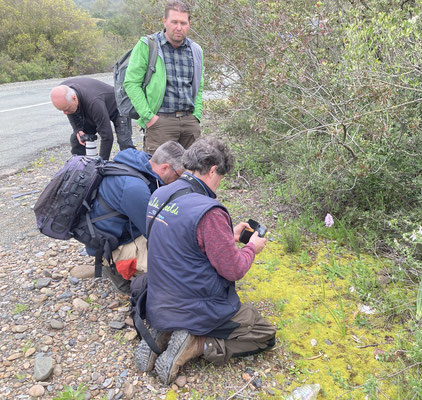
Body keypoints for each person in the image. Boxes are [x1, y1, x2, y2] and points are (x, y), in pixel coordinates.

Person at [137, 137, 276, 384]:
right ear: (213, 169)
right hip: (195, 306)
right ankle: (197, 343)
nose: (219, 184)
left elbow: (180, 241)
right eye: (220, 176)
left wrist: (227, 236)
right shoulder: (209, 210)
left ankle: (164, 332)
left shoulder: (159, 193)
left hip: (159, 297)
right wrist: (252, 247)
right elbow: (233, 269)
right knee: (264, 334)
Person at [87, 141, 185, 294]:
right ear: (165, 167)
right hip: (111, 244)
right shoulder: (134, 188)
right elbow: (155, 233)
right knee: (174, 266)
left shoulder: (142, 162)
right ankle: (116, 270)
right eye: (178, 175)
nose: (178, 181)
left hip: (117, 229)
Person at [124, 0, 204, 154]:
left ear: (189, 24)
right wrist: (149, 118)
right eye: (174, 22)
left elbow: (198, 85)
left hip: (189, 122)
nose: (179, 27)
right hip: (160, 122)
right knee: (159, 176)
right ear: (164, 21)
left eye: (183, 22)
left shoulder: (195, 50)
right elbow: (131, 83)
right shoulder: (148, 45)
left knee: (191, 173)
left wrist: (196, 116)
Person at [50, 77, 136, 160]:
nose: (65, 113)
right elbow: (71, 112)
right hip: (93, 108)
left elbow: (107, 137)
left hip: (117, 108)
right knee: (77, 139)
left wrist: (100, 165)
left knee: (124, 143)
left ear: (74, 98)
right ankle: (80, 167)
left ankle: (134, 169)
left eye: (67, 109)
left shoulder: (94, 102)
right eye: (62, 110)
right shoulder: (63, 91)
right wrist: (78, 130)